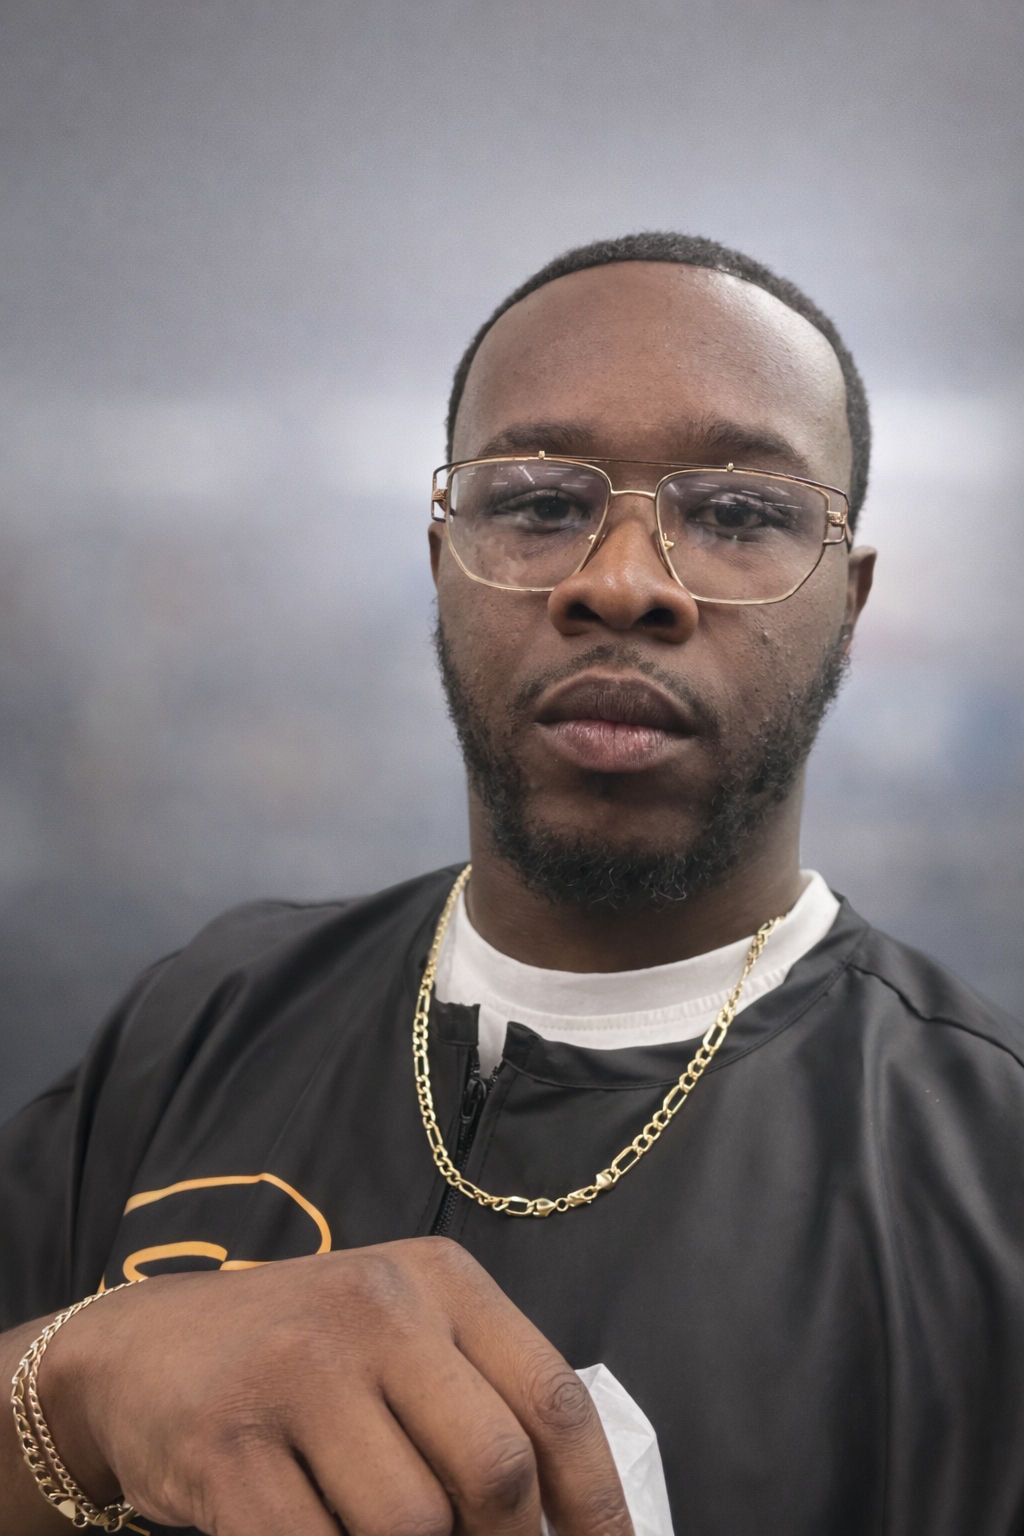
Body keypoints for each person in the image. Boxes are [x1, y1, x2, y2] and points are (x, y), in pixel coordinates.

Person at [2, 232, 1023, 1536]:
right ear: (443, 567)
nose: (620, 582)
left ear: (850, 602)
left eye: (739, 515)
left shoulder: (989, 1181)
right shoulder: (198, 1021)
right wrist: (84, 1388)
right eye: (541, 503)